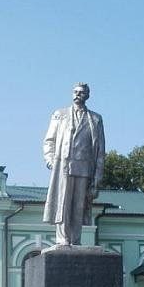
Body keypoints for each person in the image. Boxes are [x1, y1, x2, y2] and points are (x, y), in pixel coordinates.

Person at [43, 83, 106, 245]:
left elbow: (100, 150)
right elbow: (49, 140)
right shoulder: (60, 114)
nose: (78, 94)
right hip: (63, 166)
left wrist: (97, 178)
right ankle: (63, 239)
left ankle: (75, 239)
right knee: (63, 204)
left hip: (85, 168)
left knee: (78, 206)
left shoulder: (95, 119)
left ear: (87, 95)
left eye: (82, 92)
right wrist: (50, 160)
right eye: (76, 92)